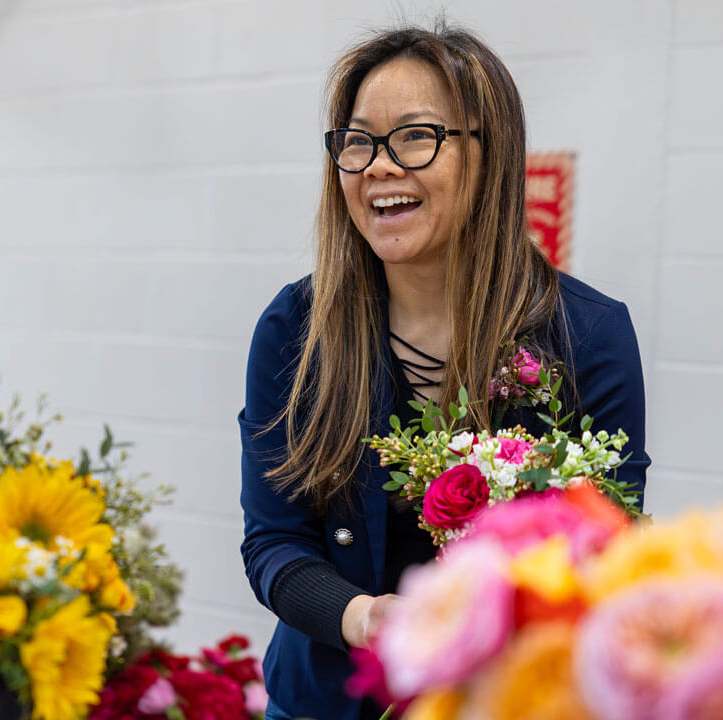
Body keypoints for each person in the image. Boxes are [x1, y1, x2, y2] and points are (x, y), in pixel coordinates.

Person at [238, 24, 649, 720]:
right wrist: (364, 617)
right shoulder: (296, 331)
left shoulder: (588, 338)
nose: (378, 166)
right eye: (358, 141)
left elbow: (607, 551)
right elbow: (275, 542)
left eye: (415, 136)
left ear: (489, 156)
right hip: (322, 702)